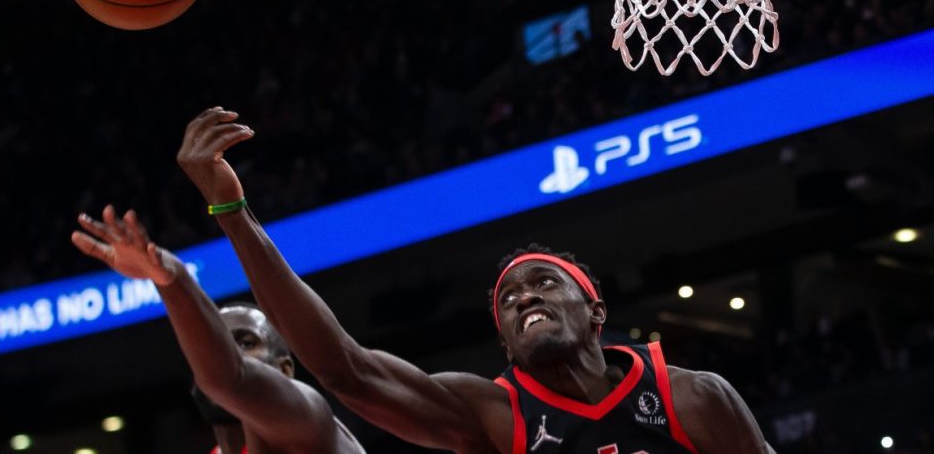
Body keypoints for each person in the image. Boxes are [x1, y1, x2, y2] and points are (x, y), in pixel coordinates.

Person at [173, 106, 776, 453]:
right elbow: (344, 369)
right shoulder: (491, 415)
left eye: (545, 283)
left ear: (596, 311)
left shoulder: (693, 397)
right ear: (506, 347)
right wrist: (234, 214)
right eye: (508, 299)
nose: (525, 296)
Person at [70, 205, 365, 454]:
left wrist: (172, 280)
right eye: (214, 345)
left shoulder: (310, 421)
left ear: (285, 369)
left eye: (246, 343)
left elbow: (229, 378)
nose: (224, 353)